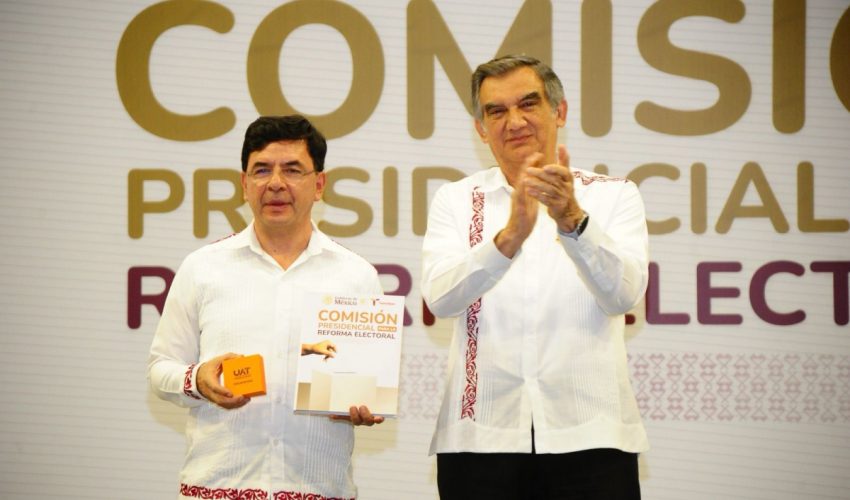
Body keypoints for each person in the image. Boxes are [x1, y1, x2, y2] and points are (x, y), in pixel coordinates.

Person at [420, 55, 649, 499]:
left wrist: (572, 219)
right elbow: (440, 299)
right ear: (481, 128)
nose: (514, 122)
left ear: (559, 111)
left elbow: (623, 295)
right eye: (496, 111)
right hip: (480, 441)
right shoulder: (455, 199)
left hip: (591, 437)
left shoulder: (614, 195)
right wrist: (508, 238)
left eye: (528, 104)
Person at [148, 115, 384, 500]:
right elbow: (161, 369)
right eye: (261, 170)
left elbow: (368, 384)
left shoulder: (356, 276)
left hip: (319, 489)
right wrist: (198, 379)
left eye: (292, 169)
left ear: (319, 185)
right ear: (244, 184)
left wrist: (363, 402)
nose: (275, 183)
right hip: (218, 488)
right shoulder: (202, 267)